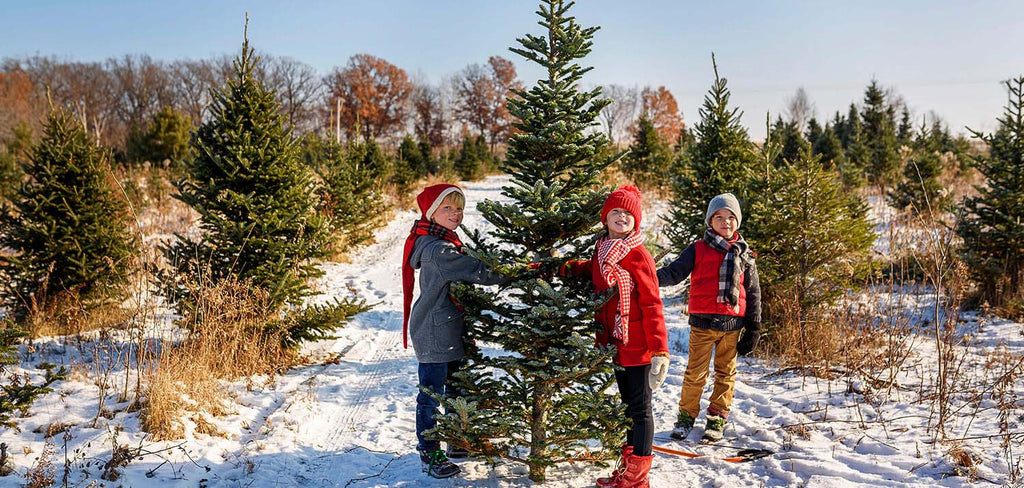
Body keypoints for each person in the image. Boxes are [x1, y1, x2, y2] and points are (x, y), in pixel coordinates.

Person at [564, 185, 669, 488]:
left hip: (638, 347)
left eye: (627, 213)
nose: (621, 217)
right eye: (615, 212)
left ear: (636, 220)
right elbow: (589, 272)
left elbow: (652, 304)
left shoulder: (639, 255)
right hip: (615, 346)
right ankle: (627, 471)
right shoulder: (602, 251)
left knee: (640, 409)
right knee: (627, 409)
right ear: (605, 218)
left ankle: (637, 479)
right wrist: (558, 268)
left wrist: (660, 350)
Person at [401, 183, 508, 479]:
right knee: (431, 395)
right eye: (447, 207)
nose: (455, 213)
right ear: (432, 212)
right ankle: (429, 452)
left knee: (457, 388)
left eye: (459, 208)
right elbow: (479, 271)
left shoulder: (443, 240)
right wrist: (516, 270)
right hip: (434, 332)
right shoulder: (438, 249)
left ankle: (457, 443)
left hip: (448, 329)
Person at [657, 192, 761, 443]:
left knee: (726, 373)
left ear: (738, 222)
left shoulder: (745, 255)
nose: (726, 222)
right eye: (719, 217)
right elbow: (674, 272)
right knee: (695, 373)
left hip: (732, 326)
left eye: (731, 217)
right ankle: (685, 417)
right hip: (702, 324)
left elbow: (754, 292)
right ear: (710, 221)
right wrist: (648, 275)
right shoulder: (697, 249)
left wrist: (754, 326)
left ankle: (717, 418)